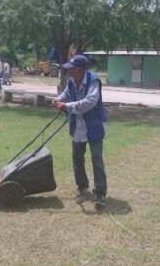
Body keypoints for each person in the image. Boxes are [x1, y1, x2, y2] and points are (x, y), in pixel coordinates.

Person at [52, 54, 108, 208]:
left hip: (94, 124)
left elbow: (90, 102)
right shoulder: (72, 82)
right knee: (77, 156)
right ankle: (82, 185)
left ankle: (100, 192)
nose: (70, 72)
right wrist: (58, 99)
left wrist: (67, 106)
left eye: (72, 69)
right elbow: (66, 94)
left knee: (96, 158)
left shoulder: (93, 80)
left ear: (81, 69)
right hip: (78, 125)